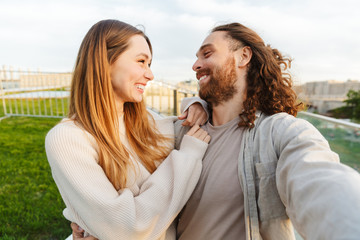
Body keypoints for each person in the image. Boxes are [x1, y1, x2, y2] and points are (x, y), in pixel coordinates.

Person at [173, 23, 360, 240]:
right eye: (197, 57)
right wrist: (194, 102)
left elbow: (322, 182)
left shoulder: (280, 131)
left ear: (244, 56)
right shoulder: (184, 129)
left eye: (207, 54)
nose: (196, 65)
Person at [45, 19, 211, 240]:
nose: (150, 74)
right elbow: (128, 229)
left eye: (149, 64)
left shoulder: (146, 120)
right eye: (141, 61)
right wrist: (188, 156)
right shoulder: (68, 139)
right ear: (105, 61)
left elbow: (188, 124)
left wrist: (196, 104)